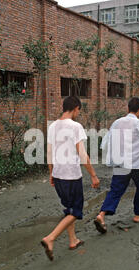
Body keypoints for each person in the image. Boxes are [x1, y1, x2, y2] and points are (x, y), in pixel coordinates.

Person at [41, 96, 100, 261]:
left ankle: (73, 240)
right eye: (78, 111)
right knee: (76, 211)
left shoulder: (53, 126)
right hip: (71, 176)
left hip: (58, 175)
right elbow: (82, 154)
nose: (78, 113)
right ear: (75, 108)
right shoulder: (75, 126)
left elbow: (49, 152)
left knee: (69, 209)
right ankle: (50, 238)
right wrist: (94, 175)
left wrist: (51, 172)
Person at [94, 97, 139, 233]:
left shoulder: (117, 123)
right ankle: (138, 215)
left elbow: (109, 140)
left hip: (121, 163)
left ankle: (101, 215)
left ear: (128, 108)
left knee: (116, 190)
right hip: (137, 164)